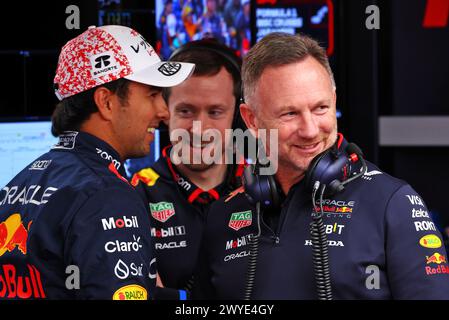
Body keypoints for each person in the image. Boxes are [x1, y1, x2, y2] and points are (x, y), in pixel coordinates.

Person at [193, 32, 449, 299]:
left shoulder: (393, 203)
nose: (310, 129)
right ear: (252, 120)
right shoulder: (222, 215)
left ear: (334, 101)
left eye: (320, 108)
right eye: (289, 113)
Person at [0, 25, 194, 299]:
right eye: (152, 94)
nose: (163, 112)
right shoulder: (107, 196)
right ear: (106, 102)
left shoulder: (17, 184)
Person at [131, 39, 245, 299]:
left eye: (215, 112)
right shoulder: (134, 196)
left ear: (237, 117)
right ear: (165, 111)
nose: (198, 129)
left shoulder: (265, 190)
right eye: (185, 111)